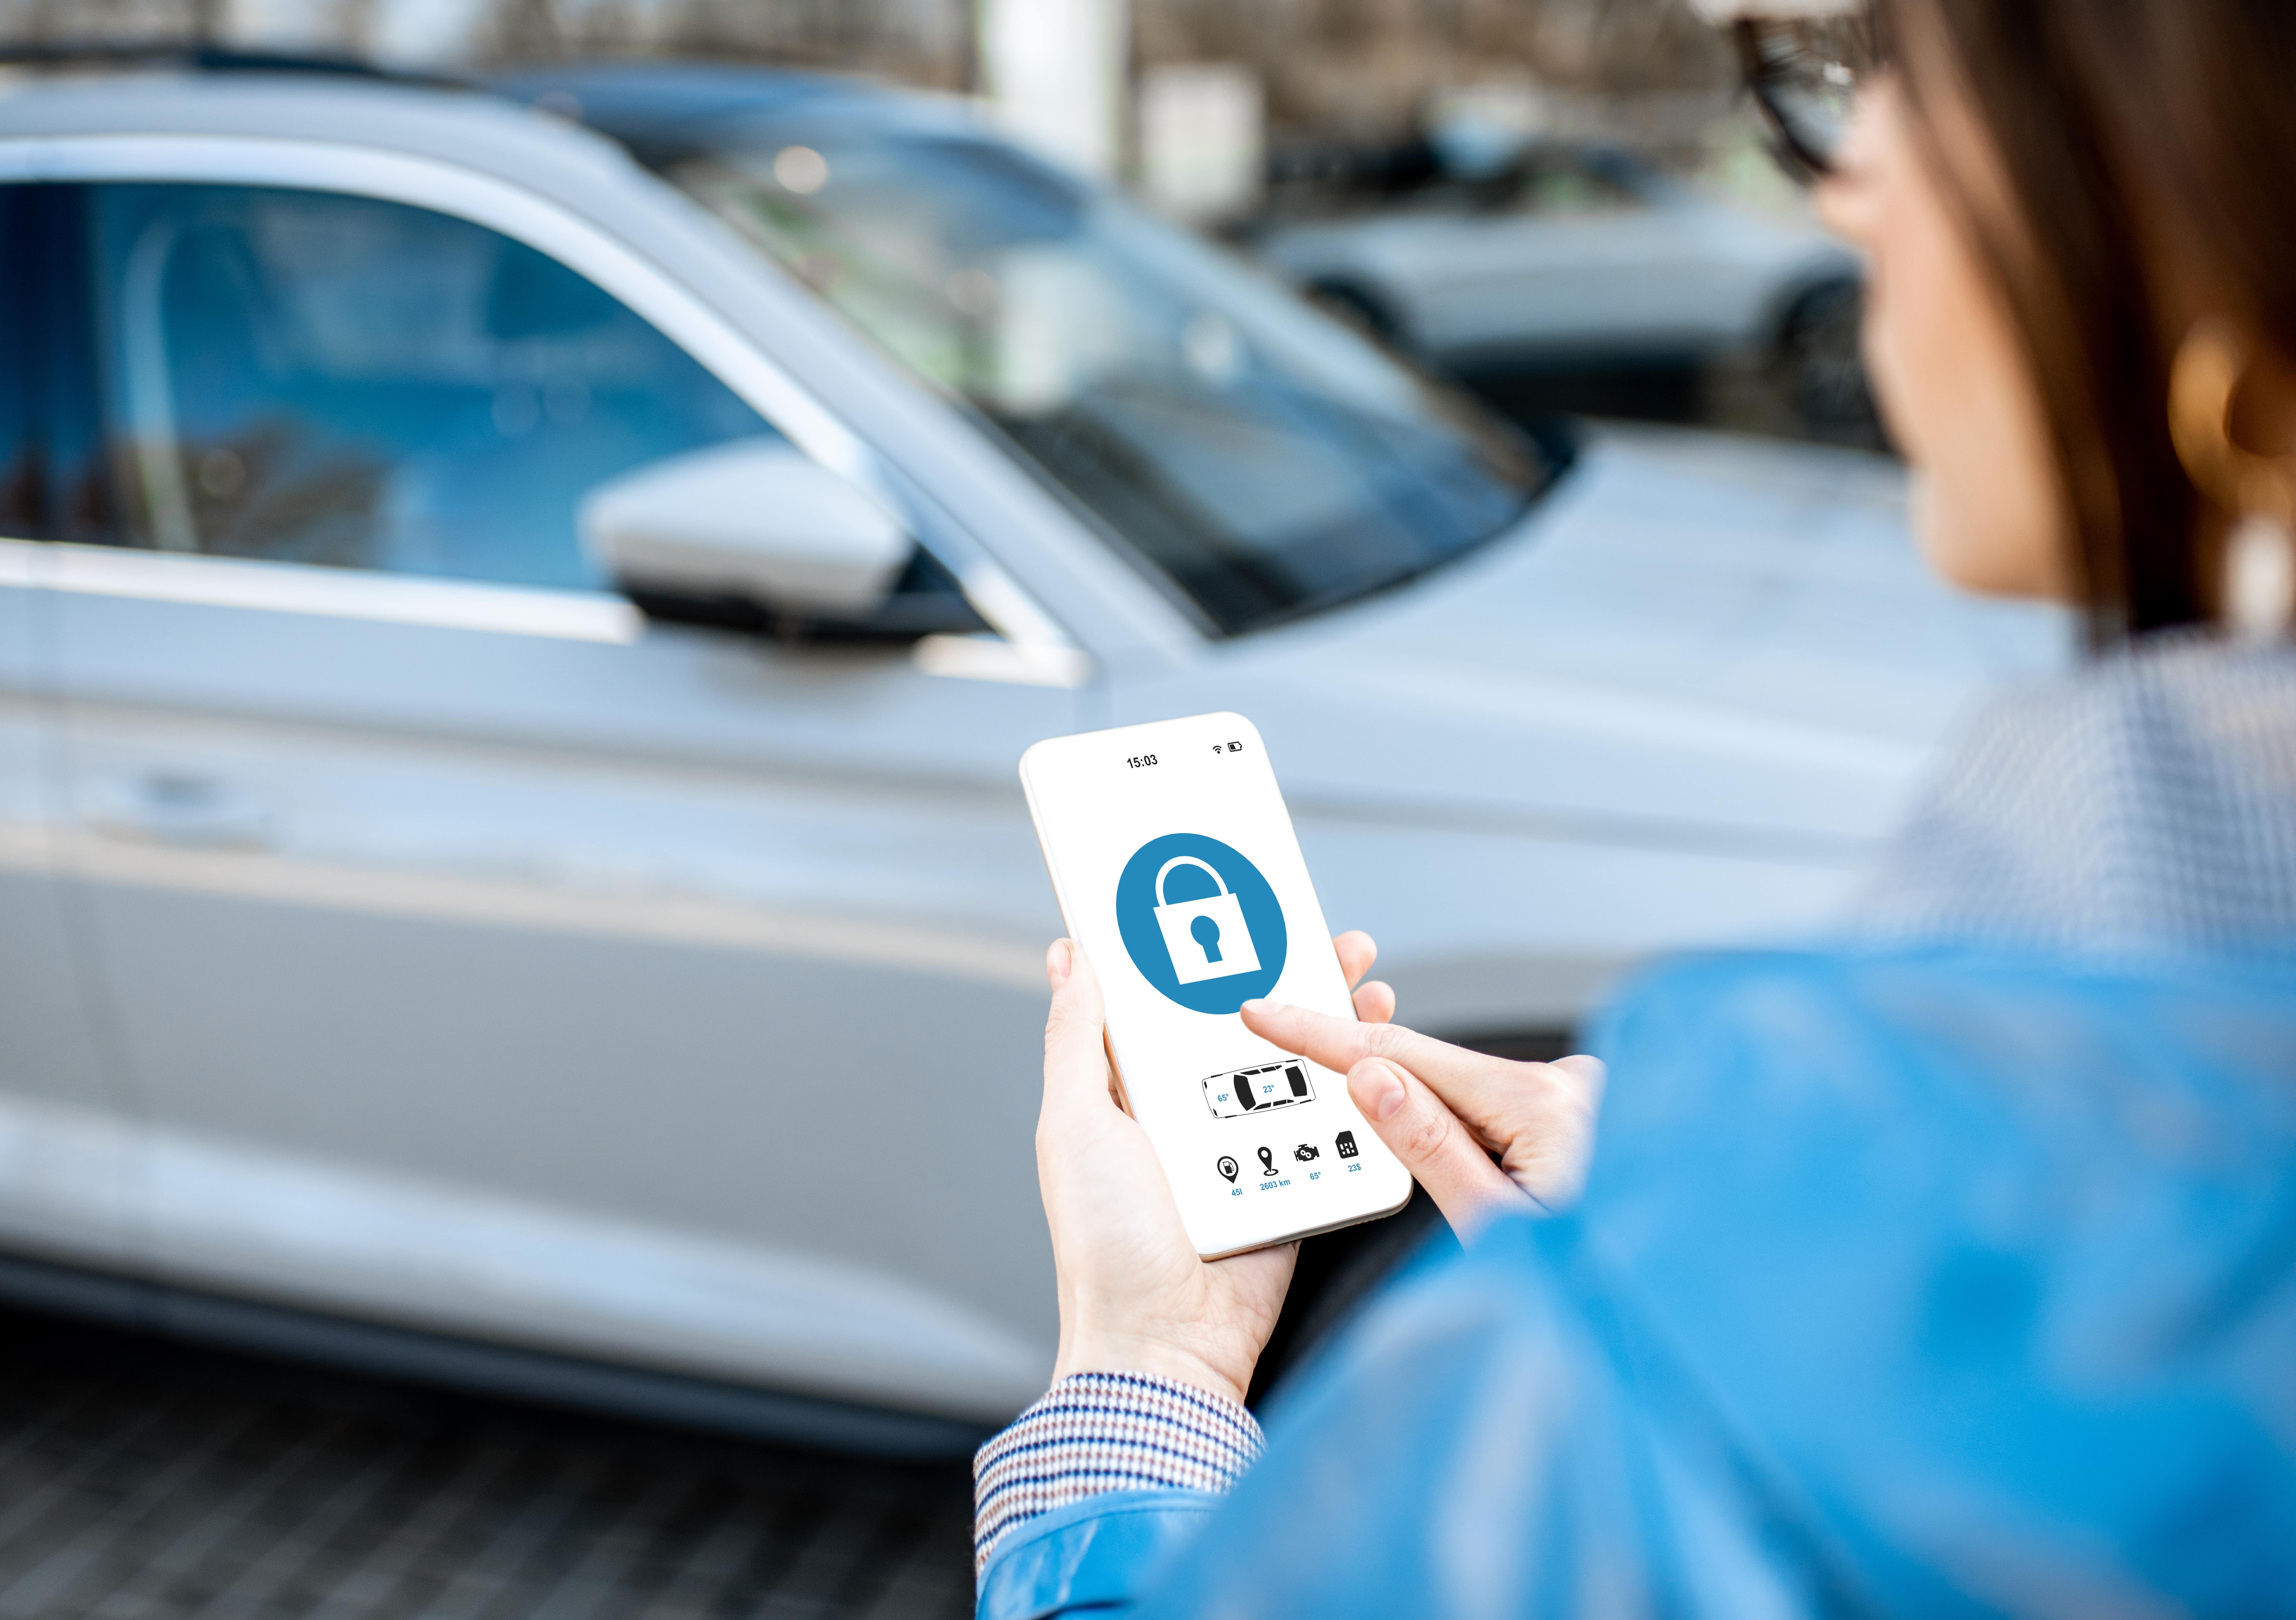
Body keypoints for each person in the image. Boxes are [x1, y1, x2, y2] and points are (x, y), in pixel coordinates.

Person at [971, 0, 2296, 1614]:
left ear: (2191, 197)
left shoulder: (1834, 1253)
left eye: (1893, 81)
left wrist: (1144, 1374)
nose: (1843, 181)